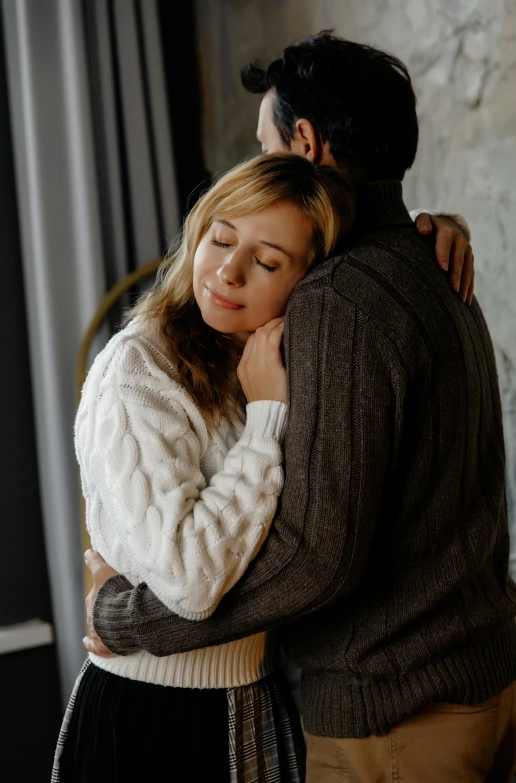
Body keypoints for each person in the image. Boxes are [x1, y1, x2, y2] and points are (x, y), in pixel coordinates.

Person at [83, 33, 516, 783]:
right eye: (223, 237)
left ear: (304, 144)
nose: (253, 167)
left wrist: (122, 617)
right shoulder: (428, 262)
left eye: (263, 146)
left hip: (397, 715)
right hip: (472, 681)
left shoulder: (341, 297)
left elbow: (316, 557)